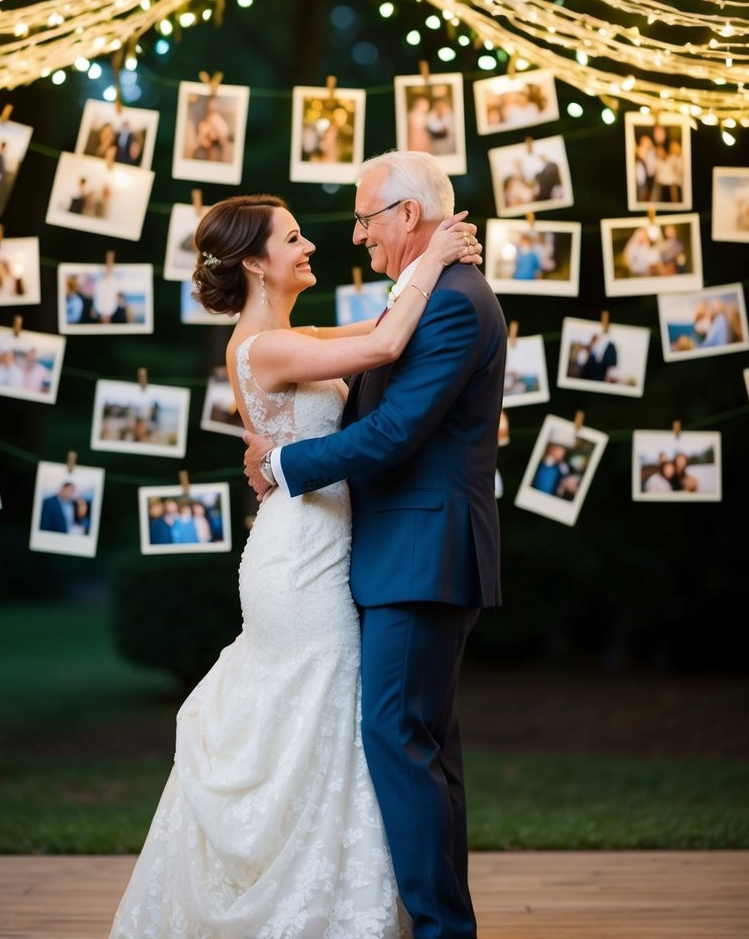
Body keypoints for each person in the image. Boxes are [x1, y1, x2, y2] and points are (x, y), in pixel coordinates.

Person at [109, 172, 484, 939]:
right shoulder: (265, 346)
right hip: (299, 559)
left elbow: (384, 334)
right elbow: (383, 341)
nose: (313, 243)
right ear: (253, 263)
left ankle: (325, 894)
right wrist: (433, 256)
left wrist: (426, 269)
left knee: (339, 721)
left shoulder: (295, 337)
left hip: (323, 541)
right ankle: (298, 901)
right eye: (292, 238)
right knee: (323, 712)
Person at [243, 151, 507, 939]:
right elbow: (373, 369)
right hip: (405, 552)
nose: (355, 235)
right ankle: (444, 924)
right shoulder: (432, 294)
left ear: (406, 216)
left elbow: (393, 432)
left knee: (397, 737)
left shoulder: (454, 302)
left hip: (422, 555)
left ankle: (439, 930)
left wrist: (285, 462)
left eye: (364, 218)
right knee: (422, 742)